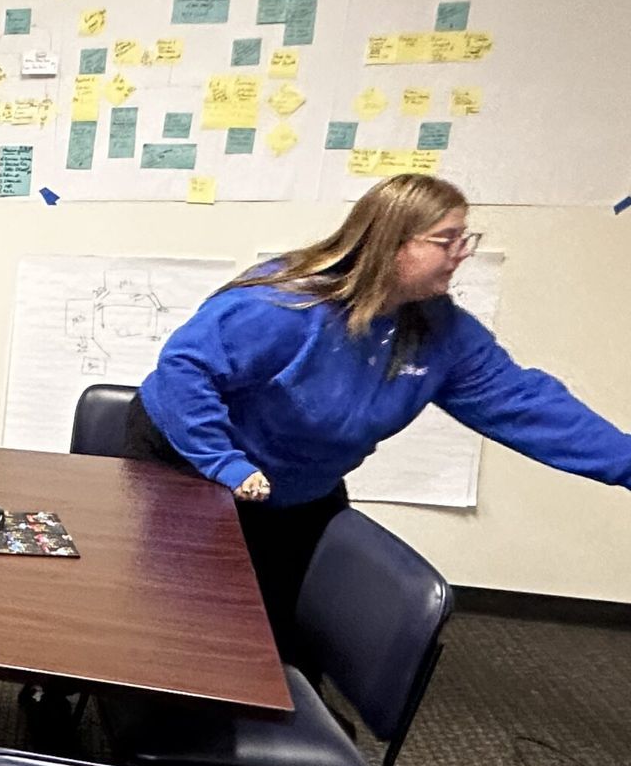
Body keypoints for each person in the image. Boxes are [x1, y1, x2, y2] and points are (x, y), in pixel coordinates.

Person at [130, 173, 631, 655]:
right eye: (446, 239)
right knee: (178, 617)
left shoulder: (443, 333)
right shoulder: (284, 306)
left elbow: (527, 405)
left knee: (282, 631)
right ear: (393, 242)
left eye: (465, 238)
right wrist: (224, 463)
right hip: (189, 462)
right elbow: (184, 372)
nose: (461, 254)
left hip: (300, 486)